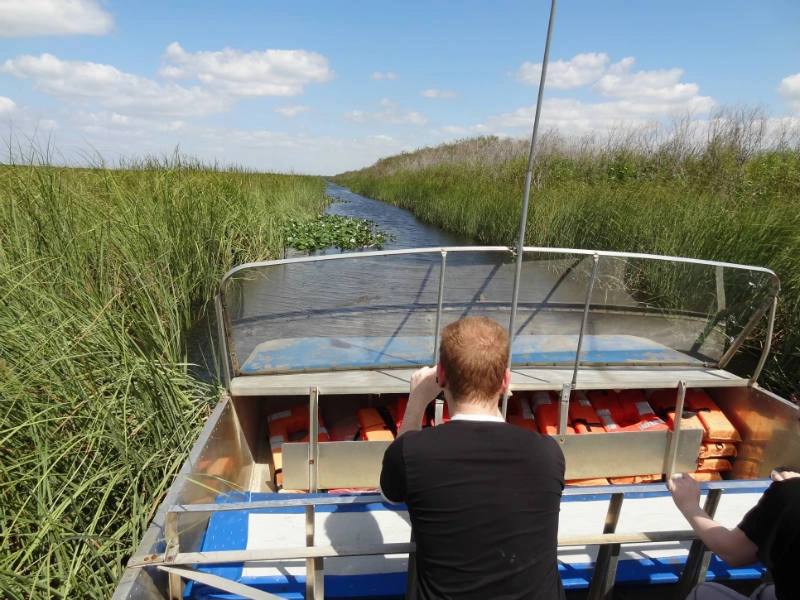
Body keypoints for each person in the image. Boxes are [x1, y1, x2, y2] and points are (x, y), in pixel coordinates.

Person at [380, 316, 566, 599]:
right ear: (505, 381)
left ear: (440, 376)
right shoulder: (547, 454)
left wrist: (417, 399)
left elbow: (390, 493)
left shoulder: (412, 453)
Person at [667, 467, 800, 600]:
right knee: (767, 592)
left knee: (703, 593)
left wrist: (689, 505)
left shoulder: (790, 493)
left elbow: (733, 552)